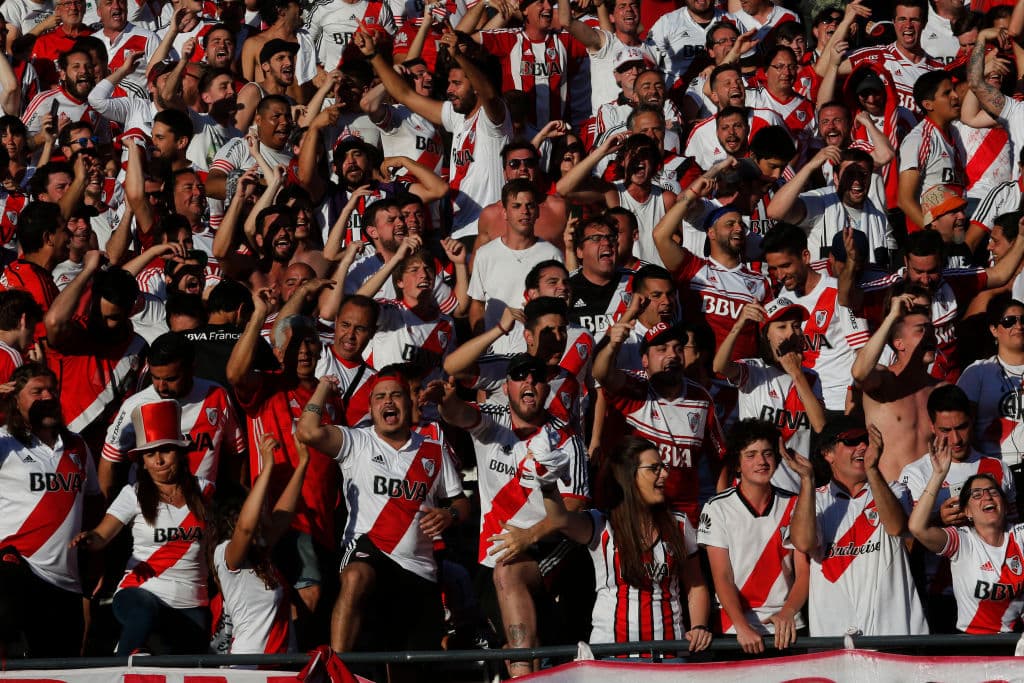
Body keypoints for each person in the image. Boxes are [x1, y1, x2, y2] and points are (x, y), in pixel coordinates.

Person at [295, 370, 467, 672]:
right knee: (356, 576)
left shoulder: (433, 450)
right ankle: (338, 672)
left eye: (395, 395)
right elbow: (307, 431)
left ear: (409, 402)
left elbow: (463, 504)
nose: (388, 401)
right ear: (372, 407)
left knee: (413, 672)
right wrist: (323, 388)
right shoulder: (356, 441)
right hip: (370, 551)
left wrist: (450, 514)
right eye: (380, 397)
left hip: (419, 571)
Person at [502, 436, 712, 655]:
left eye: (663, 467)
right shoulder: (600, 524)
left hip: (671, 654)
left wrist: (699, 626)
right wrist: (547, 483)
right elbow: (560, 519)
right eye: (654, 469)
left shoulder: (679, 524)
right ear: (629, 476)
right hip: (611, 657)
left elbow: (696, 586)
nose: (665, 474)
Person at [71, 399, 214, 654]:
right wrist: (88, 539)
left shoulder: (206, 491)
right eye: (150, 454)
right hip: (139, 592)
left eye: (165, 451)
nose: (158, 461)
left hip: (192, 603)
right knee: (143, 614)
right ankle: (119, 669)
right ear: (143, 462)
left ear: (181, 453)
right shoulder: (133, 493)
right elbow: (102, 535)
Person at [786, 416, 929, 637]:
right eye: (851, 441)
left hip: (896, 635)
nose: (862, 446)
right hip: (834, 640)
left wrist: (872, 470)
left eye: (865, 440)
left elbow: (897, 527)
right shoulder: (812, 500)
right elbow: (804, 543)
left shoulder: (895, 490)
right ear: (828, 453)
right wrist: (806, 480)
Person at [0, 363, 100, 658]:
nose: (47, 397)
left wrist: (96, 558)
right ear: (16, 400)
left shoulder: (77, 446)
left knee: (59, 666)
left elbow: (93, 500)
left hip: (65, 582)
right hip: (17, 567)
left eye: (52, 390)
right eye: (36, 391)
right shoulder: (5, 442)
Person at [700, 419, 809, 653]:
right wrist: (743, 627)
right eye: (750, 455)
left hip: (787, 628)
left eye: (767, 453)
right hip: (734, 631)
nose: (761, 461)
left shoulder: (795, 504)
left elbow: (804, 572)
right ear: (737, 464)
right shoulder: (716, 507)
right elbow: (722, 577)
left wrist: (788, 613)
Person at [908, 441, 1024, 633]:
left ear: (1004, 504)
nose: (986, 497)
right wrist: (938, 475)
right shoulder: (962, 541)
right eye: (976, 494)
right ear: (967, 511)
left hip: (1015, 643)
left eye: (993, 492)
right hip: (972, 643)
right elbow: (917, 527)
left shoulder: (1020, 535)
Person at [210, 432, 308, 658]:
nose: (261, 511)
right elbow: (245, 528)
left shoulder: (260, 551)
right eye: (252, 506)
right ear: (233, 515)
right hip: (251, 667)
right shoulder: (225, 555)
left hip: (281, 665)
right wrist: (267, 467)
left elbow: (283, 516)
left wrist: (303, 464)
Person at [713, 298, 826, 474]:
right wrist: (739, 325)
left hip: (795, 486)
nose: (791, 333)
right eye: (782, 327)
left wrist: (796, 373)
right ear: (766, 334)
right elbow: (719, 367)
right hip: (755, 482)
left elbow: (819, 425)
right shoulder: (755, 370)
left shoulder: (810, 377)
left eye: (796, 326)